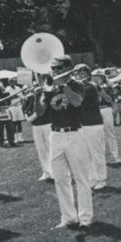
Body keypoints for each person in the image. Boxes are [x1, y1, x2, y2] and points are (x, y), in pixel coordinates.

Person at [36, 55, 92, 229]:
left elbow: (76, 102)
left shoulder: (77, 84)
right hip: (55, 135)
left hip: (74, 134)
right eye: (53, 68)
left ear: (68, 69)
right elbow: (39, 112)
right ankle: (68, 217)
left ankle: (85, 217)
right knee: (60, 179)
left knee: (81, 178)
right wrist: (38, 95)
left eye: (58, 68)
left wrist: (63, 85)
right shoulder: (49, 87)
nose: (54, 71)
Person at [75, 64, 108, 191]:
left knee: (96, 153)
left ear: (88, 76)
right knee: (86, 154)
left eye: (83, 74)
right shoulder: (80, 87)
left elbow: (79, 100)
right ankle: (93, 178)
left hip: (93, 124)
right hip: (84, 124)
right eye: (78, 74)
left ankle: (102, 178)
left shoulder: (90, 87)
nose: (80, 76)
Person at [28, 75, 53, 182]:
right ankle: (46, 171)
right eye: (37, 79)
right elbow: (27, 107)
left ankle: (54, 171)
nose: (39, 81)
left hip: (48, 123)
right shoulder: (30, 92)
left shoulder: (49, 91)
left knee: (51, 148)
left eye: (41, 79)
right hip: (36, 125)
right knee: (41, 150)